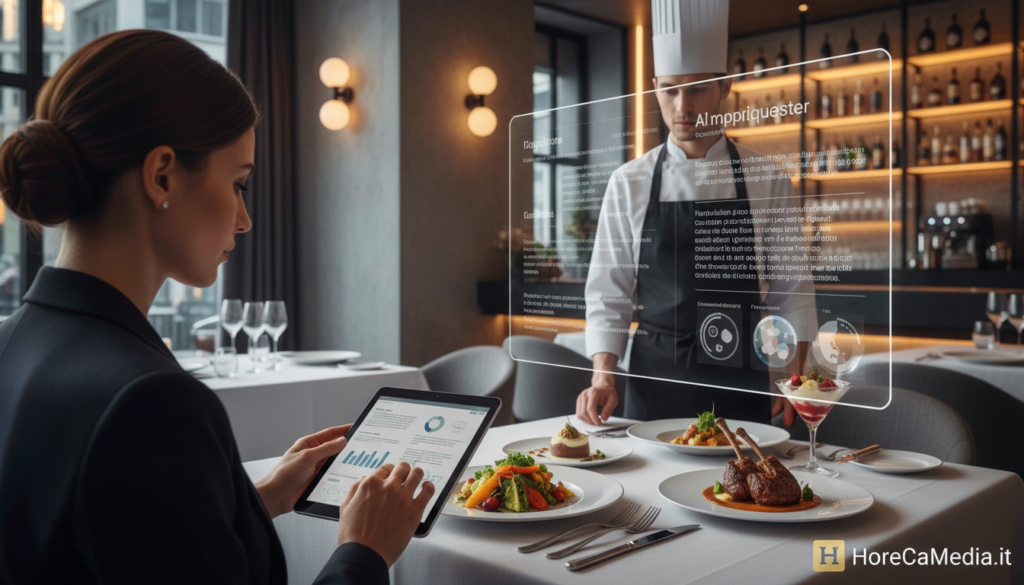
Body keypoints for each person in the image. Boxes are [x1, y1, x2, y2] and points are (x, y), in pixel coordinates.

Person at [0, 30, 432, 584]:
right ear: (162, 176)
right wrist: (364, 552)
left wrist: (255, 499)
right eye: (239, 184)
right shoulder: (152, 403)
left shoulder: (10, 343)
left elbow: (105, 539)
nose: (245, 221)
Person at [576, 0, 816, 426]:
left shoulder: (767, 177)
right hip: (656, 378)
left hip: (741, 373)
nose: (682, 106)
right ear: (654, 87)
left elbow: (790, 288)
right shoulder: (629, 181)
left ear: (724, 87)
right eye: (670, 89)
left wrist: (794, 374)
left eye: (698, 89)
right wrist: (603, 376)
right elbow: (608, 293)